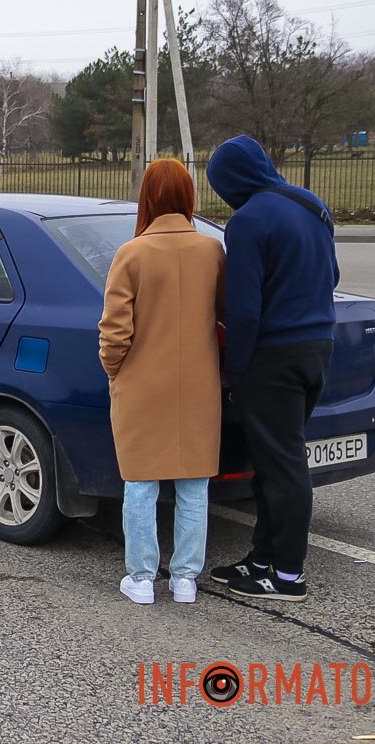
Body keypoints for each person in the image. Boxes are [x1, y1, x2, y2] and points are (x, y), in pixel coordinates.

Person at [206, 135, 340, 602]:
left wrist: (235, 369)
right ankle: (260, 559)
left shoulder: (246, 222)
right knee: (271, 461)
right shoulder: (311, 205)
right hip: (317, 347)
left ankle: (287, 575)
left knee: (282, 466)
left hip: (273, 357)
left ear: (231, 182)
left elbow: (244, 308)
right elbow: (333, 276)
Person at [99, 159, 226, 606]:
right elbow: (225, 317)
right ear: (188, 197)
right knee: (194, 484)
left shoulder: (131, 253)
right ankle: (186, 579)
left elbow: (115, 331)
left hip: (140, 385)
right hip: (199, 384)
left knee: (141, 483)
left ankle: (142, 578)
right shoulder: (212, 251)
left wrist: (115, 371)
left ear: (148, 198)